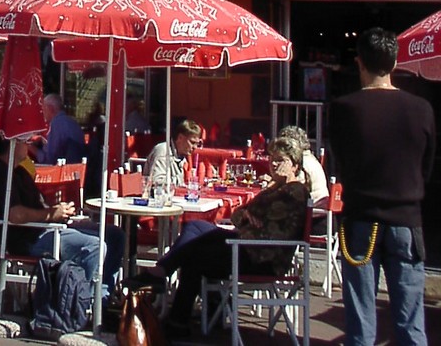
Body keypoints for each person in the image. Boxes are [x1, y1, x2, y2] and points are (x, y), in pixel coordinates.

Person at [135, 135, 309, 339]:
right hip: (246, 244)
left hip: (260, 256)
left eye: (281, 160)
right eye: (272, 158)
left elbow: (267, 227)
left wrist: (247, 216)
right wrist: (246, 215)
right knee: (195, 227)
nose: (274, 164)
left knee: (195, 255)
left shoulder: (293, 192)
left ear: (295, 165)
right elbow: (238, 215)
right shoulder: (275, 188)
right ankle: (166, 278)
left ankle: (174, 313)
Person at [329, 27, 436, 346]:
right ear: (394, 63)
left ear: (360, 63)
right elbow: (426, 167)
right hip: (405, 219)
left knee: (361, 321)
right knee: (410, 320)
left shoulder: (344, 108)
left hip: (362, 218)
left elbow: (340, 160)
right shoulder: (422, 109)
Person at [0, 135, 125, 303]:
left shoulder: (20, 172)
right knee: (94, 246)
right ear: (12, 144)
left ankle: (103, 297)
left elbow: (39, 207)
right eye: (24, 140)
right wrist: (51, 214)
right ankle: (82, 302)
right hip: (28, 239)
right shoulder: (0, 173)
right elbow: (15, 214)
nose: (29, 144)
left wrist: (61, 213)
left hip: (45, 227)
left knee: (115, 235)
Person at [143, 118, 203, 189]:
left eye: (197, 144)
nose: (195, 147)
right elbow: (157, 183)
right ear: (180, 138)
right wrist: (183, 181)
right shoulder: (164, 151)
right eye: (192, 142)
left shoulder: (183, 155)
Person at [277, 124, 329, 202]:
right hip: (317, 203)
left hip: (313, 207)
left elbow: (293, 189)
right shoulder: (310, 158)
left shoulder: (301, 162)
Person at [32, 94, 86, 165]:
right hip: (76, 170)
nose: (42, 112)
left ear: (50, 108)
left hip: (59, 171)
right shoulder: (73, 123)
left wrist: (29, 147)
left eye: (43, 109)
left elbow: (47, 159)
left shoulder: (55, 125)